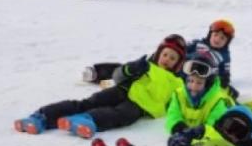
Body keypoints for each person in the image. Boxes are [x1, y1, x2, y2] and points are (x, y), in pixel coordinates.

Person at [16, 34, 187, 138]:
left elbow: (178, 104)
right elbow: (118, 75)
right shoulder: (146, 65)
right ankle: (41, 117)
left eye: (173, 58)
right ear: (158, 53)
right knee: (89, 102)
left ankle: (86, 120)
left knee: (119, 116)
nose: (167, 60)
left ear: (178, 64)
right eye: (165, 54)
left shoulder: (177, 83)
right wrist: (130, 69)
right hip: (122, 90)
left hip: (140, 107)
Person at [164, 47, 235, 136]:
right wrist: (178, 127)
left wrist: (201, 131)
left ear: (207, 84)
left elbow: (215, 122)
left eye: (199, 83)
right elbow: (173, 115)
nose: (193, 86)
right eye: (190, 81)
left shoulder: (218, 101)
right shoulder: (178, 95)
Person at [189, 19, 237, 96]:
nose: (217, 39)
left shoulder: (224, 55)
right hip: (190, 74)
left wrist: (224, 81)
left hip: (208, 79)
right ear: (210, 35)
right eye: (215, 35)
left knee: (231, 92)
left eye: (222, 38)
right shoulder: (197, 44)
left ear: (227, 42)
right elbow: (181, 51)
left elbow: (225, 72)